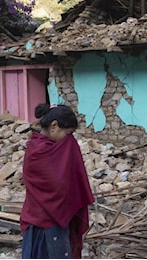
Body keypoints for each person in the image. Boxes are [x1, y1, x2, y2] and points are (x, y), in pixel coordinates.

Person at [20, 103, 94, 259]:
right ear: (54, 126)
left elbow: (72, 179)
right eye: (68, 133)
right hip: (42, 223)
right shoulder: (37, 151)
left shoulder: (59, 148)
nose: (71, 139)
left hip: (58, 221)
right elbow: (57, 186)